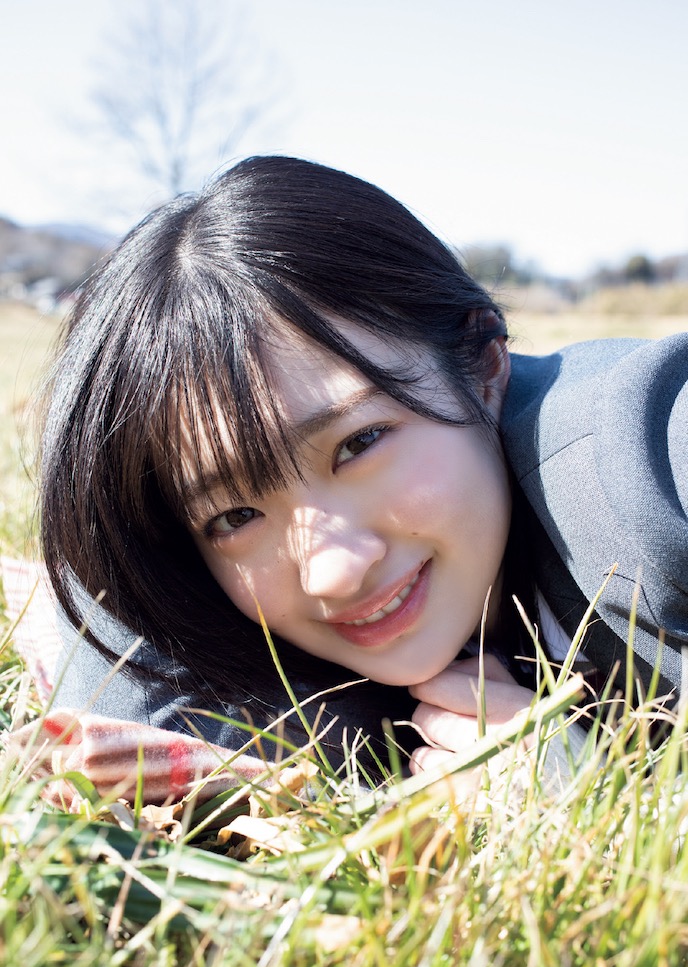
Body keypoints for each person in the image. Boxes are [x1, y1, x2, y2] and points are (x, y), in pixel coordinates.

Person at [39, 155, 688, 780]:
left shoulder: (646, 460)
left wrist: (574, 797)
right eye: (235, 516)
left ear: (484, 366)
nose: (335, 572)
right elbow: (125, 726)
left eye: (359, 443)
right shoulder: (182, 584)